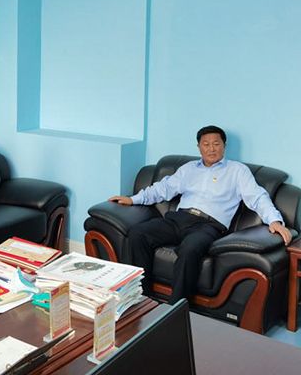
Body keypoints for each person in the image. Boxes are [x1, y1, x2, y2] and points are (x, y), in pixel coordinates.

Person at [109, 125, 292, 304]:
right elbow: (162, 189)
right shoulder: (189, 169)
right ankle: (141, 297)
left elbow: (258, 197)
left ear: (224, 146)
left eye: (216, 144)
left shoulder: (237, 171)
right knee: (138, 233)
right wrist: (133, 199)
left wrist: (274, 221)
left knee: (190, 248)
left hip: (208, 226)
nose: (211, 149)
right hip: (178, 219)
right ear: (199, 147)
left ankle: (175, 307)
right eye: (206, 144)